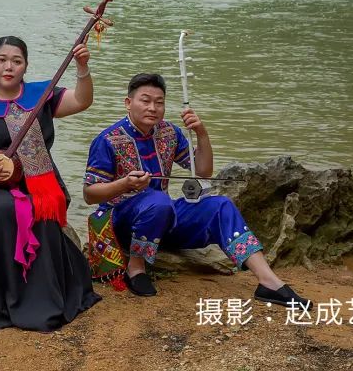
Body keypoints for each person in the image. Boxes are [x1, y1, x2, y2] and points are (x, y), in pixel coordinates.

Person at [83, 73, 312, 307]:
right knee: (158, 201)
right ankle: (136, 268)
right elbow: (90, 194)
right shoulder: (108, 139)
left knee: (220, 205)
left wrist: (201, 133)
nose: (153, 108)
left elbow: (203, 171)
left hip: (162, 216)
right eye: (145, 100)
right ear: (128, 103)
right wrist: (125, 184)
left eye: (159, 102)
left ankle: (268, 282)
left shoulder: (170, 133)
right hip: (121, 223)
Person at [0, 36, 102, 330]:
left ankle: (49, 297)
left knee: (42, 210)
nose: (8, 67)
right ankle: (7, 301)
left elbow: (82, 101)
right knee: (3, 210)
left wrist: (82, 68)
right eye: (2, 60)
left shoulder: (41, 94)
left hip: (40, 179)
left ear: (25, 66)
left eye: (16, 61)